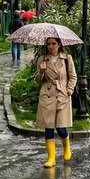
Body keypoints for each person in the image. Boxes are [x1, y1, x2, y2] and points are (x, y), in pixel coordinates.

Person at [35, 37, 77, 168]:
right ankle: (51, 158)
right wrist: (41, 71)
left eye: (53, 43)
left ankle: (66, 146)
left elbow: (73, 76)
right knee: (48, 127)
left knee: (61, 128)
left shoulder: (66, 58)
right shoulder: (42, 59)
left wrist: (69, 90)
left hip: (62, 94)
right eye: (48, 44)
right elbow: (37, 80)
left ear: (59, 44)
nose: (51, 46)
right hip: (47, 95)